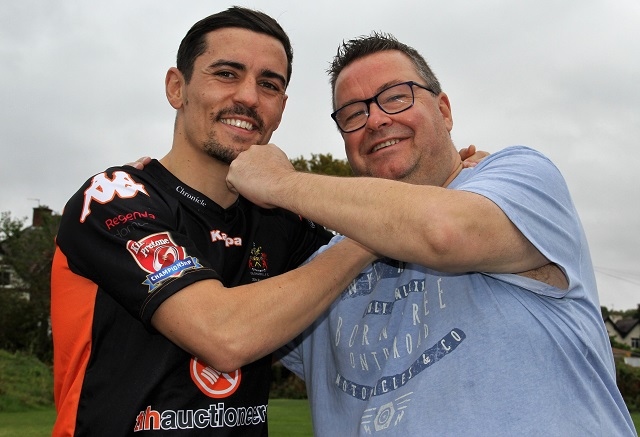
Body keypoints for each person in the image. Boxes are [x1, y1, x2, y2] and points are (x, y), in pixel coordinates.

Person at [226, 33, 637, 435]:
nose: (377, 119)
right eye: (353, 113)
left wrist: (281, 182)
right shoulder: (327, 265)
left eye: (396, 96)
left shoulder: (520, 178)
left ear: (443, 110)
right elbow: (225, 329)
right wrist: (164, 187)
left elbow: (443, 231)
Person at [49, 8, 378, 436]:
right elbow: (224, 336)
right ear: (177, 87)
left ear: (281, 108)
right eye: (226, 73)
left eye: (269, 84)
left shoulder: (284, 224)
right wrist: (370, 236)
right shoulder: (115, 197)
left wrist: (458, 178)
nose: (248, 97)